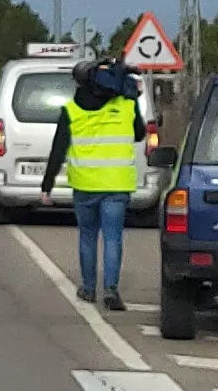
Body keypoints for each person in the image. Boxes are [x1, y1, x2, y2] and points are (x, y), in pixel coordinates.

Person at [37, 59, 150, 308]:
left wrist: (47, 186)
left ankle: (88, 289)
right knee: (113, 238)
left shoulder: (71, 110)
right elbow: (140, 134)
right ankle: (111, 291)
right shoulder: (126, 104)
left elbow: (58, 149)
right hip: (117, 184)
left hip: (85, 185)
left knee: (88, 237)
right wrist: (133, 99)